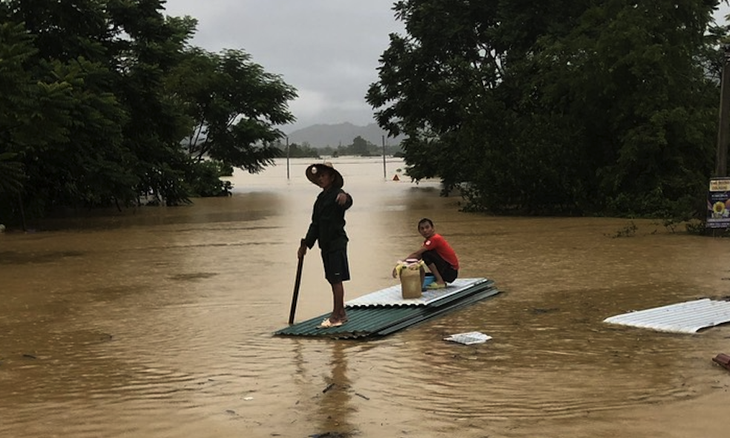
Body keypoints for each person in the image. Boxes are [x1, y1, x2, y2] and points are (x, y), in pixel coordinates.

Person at [298, 162, 353, 328]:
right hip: (325, 243)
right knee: (331, 278)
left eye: (323, 175)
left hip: (337, 242)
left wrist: (346, 198)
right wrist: (305, 244)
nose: (321, 178)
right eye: (319, 176)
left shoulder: (338, 194)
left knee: (336, 279)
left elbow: (347, 201)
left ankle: (337, 316)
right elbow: (315, 224)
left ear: (332, 177)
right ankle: (341, 312)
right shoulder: (320, 199)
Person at [395, 218, 459, 289]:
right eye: (422, 228)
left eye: (427, 227)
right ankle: (439, 279)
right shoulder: (428, 242)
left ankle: (440, 281)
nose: (425, 230)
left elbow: (417, 254)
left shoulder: (435, 239)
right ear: (419, 231)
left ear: (433, 228)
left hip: (450, 272)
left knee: (426, 254)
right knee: (420, 262)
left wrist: (399, 264)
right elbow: (417, 257)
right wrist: (403, 266)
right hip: (448, 270)